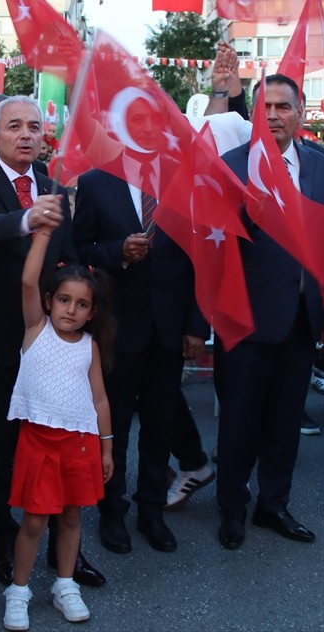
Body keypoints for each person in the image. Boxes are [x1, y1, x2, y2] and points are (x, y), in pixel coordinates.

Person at [0, 96, 104, 589]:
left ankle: (66, 551)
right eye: (13, 126)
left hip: (53, 346)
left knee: (58, 447)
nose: (25, 134)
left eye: (34, 126)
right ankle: (2, 541)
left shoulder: (57, 190)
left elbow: (72, 257)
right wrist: (26, 220)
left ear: (44, 137)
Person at [213, 74, 324, 549]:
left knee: (286, 420)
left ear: (301, 112)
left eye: (283, 107)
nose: (273, 115)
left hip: (302, 318)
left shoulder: (319, 170)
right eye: (264, 107)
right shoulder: (231, 166)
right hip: (245, 320)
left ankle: (274, 503)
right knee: (238, 421)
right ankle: (232, 507)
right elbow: (215, 250)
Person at [73, 97, 206, 555]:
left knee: (159, 424)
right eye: (139, 121)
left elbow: (198, 258)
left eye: (156, 120)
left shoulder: (181, 181)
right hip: (117, 328)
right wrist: (116, 253)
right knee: (115, 426)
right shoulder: (95, 181)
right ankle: (112, 511)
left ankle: (151, 511)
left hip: (169, 329)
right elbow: (80, 248)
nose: (148, 127)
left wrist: (195, 326)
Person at [1, 222, 113, 631]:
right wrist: (44, 231)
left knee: (70, 517)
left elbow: (99, 399)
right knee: (34, 521)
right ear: (48, 302)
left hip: (80, 444)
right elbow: (29, 279)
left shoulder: (90, 346)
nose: (71, 310)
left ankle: (65, 585)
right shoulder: (36, 331)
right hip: (40, 442)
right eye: (64, 300)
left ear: (92, 311)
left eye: (82, 304)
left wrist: (106, 447)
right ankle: (19, 590)